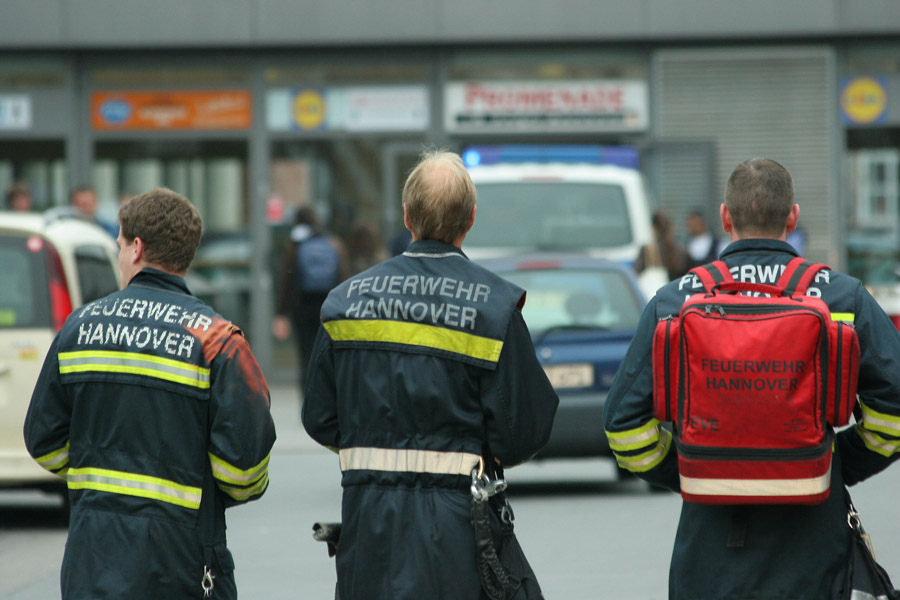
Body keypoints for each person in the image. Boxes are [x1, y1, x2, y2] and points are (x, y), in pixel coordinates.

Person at [603, 158, 900, 600]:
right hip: (813, 538)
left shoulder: (674, 301)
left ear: (726, 217)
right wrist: (830, 464)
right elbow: (894, 412)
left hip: (708, 543)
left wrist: (691, 468)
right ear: (792, 216)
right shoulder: (843, 296)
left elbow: (624, 426)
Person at [301, 150, 559, 600]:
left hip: (368, 532)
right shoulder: (493, 308)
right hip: (458, 537)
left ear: (406, 215)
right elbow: (526, 431)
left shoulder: (345, 302)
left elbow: (319, 419)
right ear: (471, 219)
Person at [24, 188, 276, 599]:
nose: (121, 255)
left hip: (93, 559)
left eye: (121, 245)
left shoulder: (79, 327)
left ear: (137, 248)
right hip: (182, 562)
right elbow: (244, 474)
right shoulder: (218, 341)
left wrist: (99, 475)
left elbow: (43, 441)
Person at [273, 205, 348, 382]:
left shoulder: (295, 246)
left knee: (306, 355)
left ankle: (306, 398)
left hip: (302, 307)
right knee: (328, 354)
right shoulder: (333, 244)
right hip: (328, 306)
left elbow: (287, 281)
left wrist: (281, 313)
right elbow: (343, 276)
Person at [634, 210, 690, 281]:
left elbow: (634, 274)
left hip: (656, 291)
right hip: (678, 291)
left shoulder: (648, 250)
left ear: (654, 229)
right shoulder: (683, 252)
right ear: (672, 228)